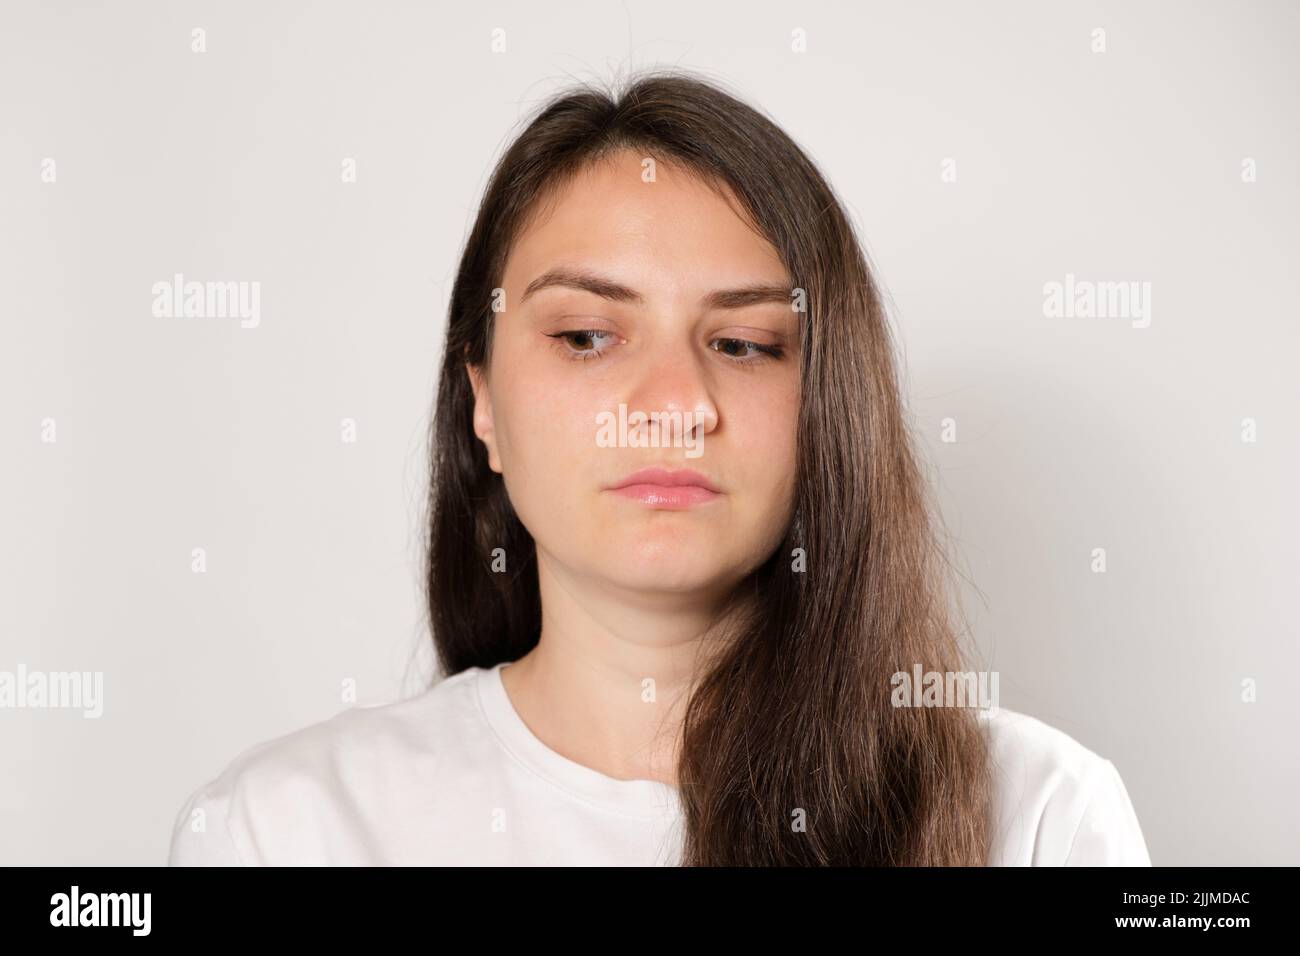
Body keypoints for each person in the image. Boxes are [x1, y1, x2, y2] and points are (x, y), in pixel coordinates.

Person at [169, 70, 1151, 866]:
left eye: (744, 343)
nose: (675, 404)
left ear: (831, 407)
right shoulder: (280, 831)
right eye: (589, 334)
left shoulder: (1038, 818)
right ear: (482, 405)